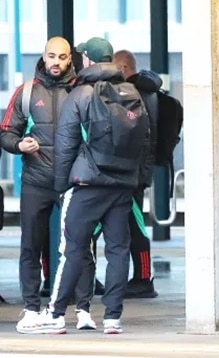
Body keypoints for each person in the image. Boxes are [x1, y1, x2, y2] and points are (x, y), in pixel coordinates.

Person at [32, 37, 150, 335]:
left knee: (71, 249)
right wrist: (138, 180)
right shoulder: (131, 92)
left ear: (87, 59)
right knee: (119, 250)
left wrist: (62, 187)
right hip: (123, 183)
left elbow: (66, 143)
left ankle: (56, 314)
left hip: (87, 183)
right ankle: (113, 317)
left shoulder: (82, 93)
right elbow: (146, 143)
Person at [0, 37, 97, 333]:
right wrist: (19, 144)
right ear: (44, 56)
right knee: (31, 246)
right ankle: (31, 308)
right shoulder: (27, 93)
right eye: (52, 56)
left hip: (72, 182)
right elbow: (5, 133)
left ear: (71, 60)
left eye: (63, 57)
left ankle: (83, 310)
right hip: (36, 181)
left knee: (80, 246)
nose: (56, 62)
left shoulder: (82, 92)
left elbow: (98, 133)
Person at [112, 50, 160, 299]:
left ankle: (143, 278)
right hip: (137, 171)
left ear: (122, 68)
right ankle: (140, 278)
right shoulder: (149, 90)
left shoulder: (132, 93)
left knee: (136, 227)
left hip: (132, 173)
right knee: (131, 225)